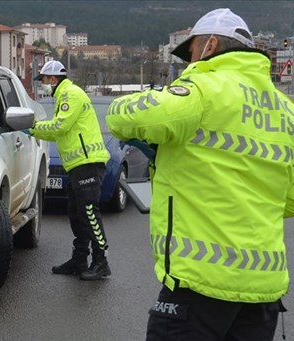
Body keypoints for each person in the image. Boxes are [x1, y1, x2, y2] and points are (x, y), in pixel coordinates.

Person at [106, 8, 294, 340]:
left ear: (209, 46)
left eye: (190, 51)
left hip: (199, 286)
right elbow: (290, 201)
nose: (188, 62)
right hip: (263, 292)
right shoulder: (285, 110)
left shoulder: (204, 88)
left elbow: (123, 118)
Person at [28, 60, 111, 280]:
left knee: (89, 213)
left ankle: (101, 261)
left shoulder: (70, 95)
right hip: (77, 164)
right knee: (76, 214)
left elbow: (59, 126)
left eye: (44, 80)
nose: (43, 84)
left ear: (53, 79)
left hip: (88, 162)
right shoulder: (62, 96)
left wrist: (31, 126)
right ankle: (80, 259)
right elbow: (57, 133)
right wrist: (32, 132)